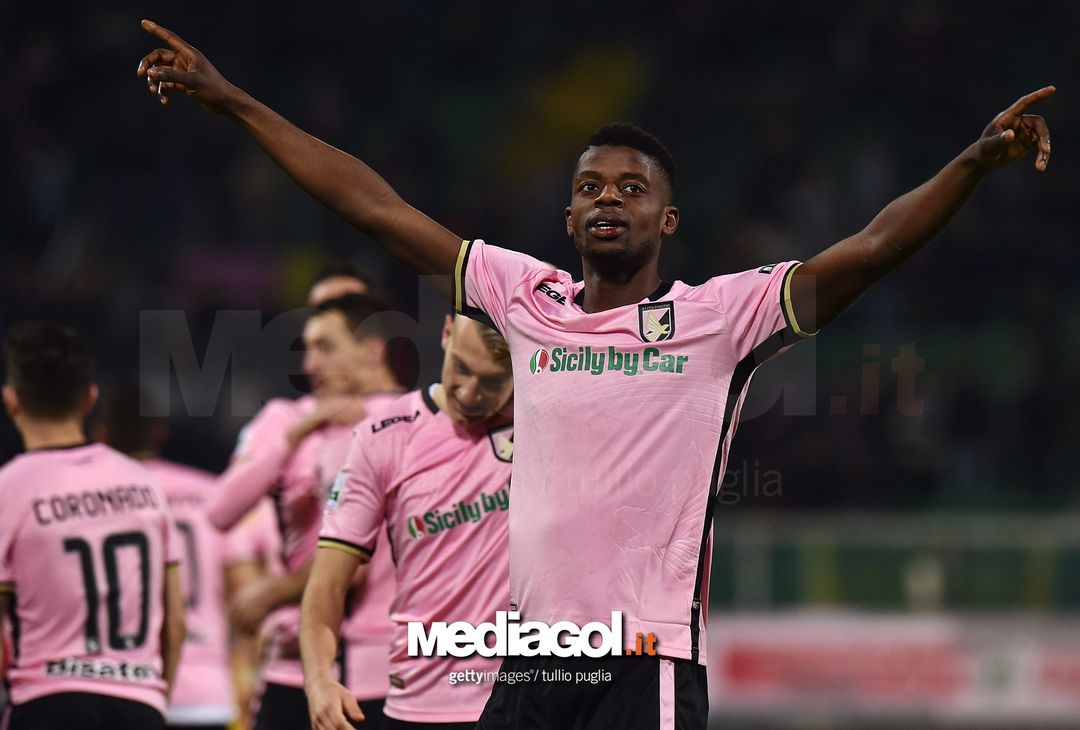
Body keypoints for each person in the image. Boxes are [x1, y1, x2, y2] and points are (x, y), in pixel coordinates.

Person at [136, 20, 1054, 728]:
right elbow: (374, 206)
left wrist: (973, 161)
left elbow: (870, 249)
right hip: (530, 656)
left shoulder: (716, 319)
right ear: (569, 219)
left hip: (644, 659)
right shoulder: (522, 298)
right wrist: (236, 102)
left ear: (669, 219)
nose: (606, 198)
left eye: (630, 188)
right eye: (587, 188)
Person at [301, 314, 513, 730]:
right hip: (417, 705)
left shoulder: (550, 426)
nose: (469, 393)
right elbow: (326, 584)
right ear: (446, 331)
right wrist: (319, 681)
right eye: (462, 369)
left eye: (491, 381)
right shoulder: (383, 436)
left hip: (526, 701)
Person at [209, 293, 402, 730]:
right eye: (307, 349)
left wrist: (272, 592)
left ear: (371, 350)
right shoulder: (285, 417)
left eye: (325, 347)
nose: (310, 365)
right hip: (289, 662)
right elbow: (221, 510)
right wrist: (304, 429)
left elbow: (356, 564)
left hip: (378, 663)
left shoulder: (407, 419)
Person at [0, 323, 186, 729]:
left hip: (47, 702)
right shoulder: (143, 484)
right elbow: (176, 622)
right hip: (139, 703)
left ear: (11, 400)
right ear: (89, 398)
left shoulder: (9, 489)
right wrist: (153, 700)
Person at [95, 383, 270, 730]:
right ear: (159, 431)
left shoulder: (96, 499)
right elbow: (248, 595)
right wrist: (249, 673)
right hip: (207, 692)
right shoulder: (210, 494)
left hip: (122, 685)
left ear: (101, 435)